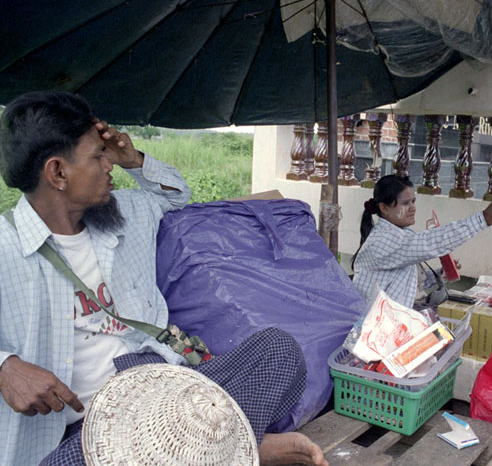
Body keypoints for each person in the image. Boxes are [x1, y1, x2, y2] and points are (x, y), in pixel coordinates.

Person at [0, 91, 327, 466]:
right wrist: (5, 366)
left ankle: (215, 447)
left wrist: (132, 159)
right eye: (97, 157)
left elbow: (176, 196)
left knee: (279, 352)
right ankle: (236, 447)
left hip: (167, 399)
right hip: (85, 427)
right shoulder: (5, 247)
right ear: (58, 173)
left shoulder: (126, 212)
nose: (108, 166)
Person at [352, 174, 492, 309]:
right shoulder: (382, 242)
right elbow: (431, 242)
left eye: (413, 201)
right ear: (384, 207)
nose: (413, 208)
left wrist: (439, 275)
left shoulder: (400, 236)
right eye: (405, 203)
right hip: (376, 329)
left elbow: (405, 282)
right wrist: (482, 220)